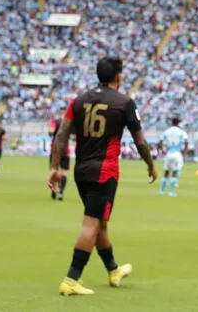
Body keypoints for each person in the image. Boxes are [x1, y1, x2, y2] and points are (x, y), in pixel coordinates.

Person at [47, 57, 158, 296]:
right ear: (118, 75)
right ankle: (71, 278)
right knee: (92, 224)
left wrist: (54, 167)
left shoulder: (78, 101)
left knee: (99, 223)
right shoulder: (124, 102)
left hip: (81, 171)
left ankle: (113, 270)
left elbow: (61, 134)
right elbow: (140, 141)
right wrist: (150, 164)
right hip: (104, 172)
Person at [157, 115, 189, 197]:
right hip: (177, 154)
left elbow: (160, 141)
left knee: (166, 172)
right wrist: (184, 152)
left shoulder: (167, 131)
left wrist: (162, 150)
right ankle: (171, 192)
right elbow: (186, 141)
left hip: (168, 153)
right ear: (178, 123)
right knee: (174, 172)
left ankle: (161, 191)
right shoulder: (181, 132)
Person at [48, 117, 71, 201]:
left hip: (55, 150)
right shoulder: (69, 122)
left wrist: (50, 132)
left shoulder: (55, 121)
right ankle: (61, 193)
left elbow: (51, 131)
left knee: (54, 171)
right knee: (64, 173)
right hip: (65, 150)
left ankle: (54, 190)